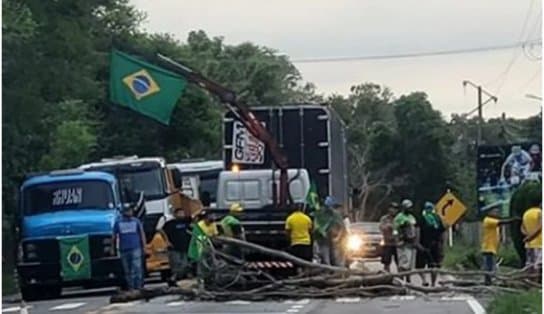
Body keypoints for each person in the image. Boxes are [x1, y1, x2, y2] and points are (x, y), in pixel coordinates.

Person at [112, 204, 147, 292]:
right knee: (127, 270)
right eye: (128, 210)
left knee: (137, 267)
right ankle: (131, 287)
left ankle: (138, 285)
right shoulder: (118, 222)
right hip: (124, 249)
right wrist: (112, 248)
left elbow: (142, 234)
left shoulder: (136, 221)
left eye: (130, 210)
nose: (130, 212)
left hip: (136, 247)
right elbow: (114, 236)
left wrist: (144, 246)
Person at [481, 206, 518, 285]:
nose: (496, 213)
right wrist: (513, 220)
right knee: (488, 266)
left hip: (492, 248)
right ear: (489, 213)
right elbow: (502, 222)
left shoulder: (493, 221)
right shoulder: (488, 220)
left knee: (491, 266)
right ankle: (487, 281)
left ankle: (490, 280)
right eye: (494, 211)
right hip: (488, 248)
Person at [415, 202, 446, 286]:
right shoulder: (438, 218)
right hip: (435, 245)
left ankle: (424, 280)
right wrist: (442, 244)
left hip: (424, 245)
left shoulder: (422, 218)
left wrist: (417, 243)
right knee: (434, 266)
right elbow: (442, 232)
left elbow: (417, 230)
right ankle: (432, 283)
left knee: (420, 266)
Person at [161, 207, 193, 286]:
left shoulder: (186, 221)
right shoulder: (170, 223)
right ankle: (173, 279)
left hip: (185, 247)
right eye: (180, 213)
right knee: (176, 264)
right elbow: (161, 230)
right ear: (175, 214)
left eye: (183, 213)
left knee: (185, 264)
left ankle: (181, 280)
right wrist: (167, 241)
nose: (182, 214)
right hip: (174, 247)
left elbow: (195, 215)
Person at [394, 199, 417, 283]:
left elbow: (414, 229)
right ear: (404, 208)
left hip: (411, 242)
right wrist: (397, 240)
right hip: (403, 242)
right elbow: (395, 230)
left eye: (411, 208)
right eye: (408, 208)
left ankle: (408, 278)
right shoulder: (399, 217)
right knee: (403, 262)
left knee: (409, 264)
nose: (410, 209)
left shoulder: (411, 217)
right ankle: (400, 279)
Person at [521, 198, 542, 276]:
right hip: (539, 243)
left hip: (528, 244)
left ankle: (529, 283)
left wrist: (527, 236)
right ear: (539, 204)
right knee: (537, 265)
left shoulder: (526, 213)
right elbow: (540, 227)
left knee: (530, 264)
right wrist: (531, 237)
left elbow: (522, 227)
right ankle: (535, 284)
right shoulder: (540, 213)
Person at [379, 202, 399, 272]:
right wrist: (388, 226)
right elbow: (381, 228)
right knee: (386, 262)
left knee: (399, 262)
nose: (393, 210)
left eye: (395, 209)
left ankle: (402, 277)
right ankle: (387, 276)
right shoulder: (384, 218)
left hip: (397, 243)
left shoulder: (399, 218)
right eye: (392, 208)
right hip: (387, 243)